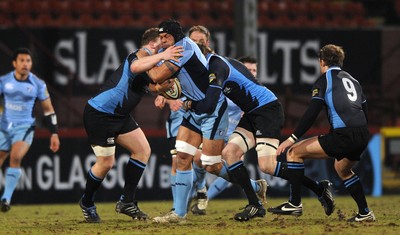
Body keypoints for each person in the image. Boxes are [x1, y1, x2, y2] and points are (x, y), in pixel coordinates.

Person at [79, 28, 183, 223]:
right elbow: (136, 68)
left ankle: (126, 201)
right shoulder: (140, 55)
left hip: (120, 115)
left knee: (143, 150)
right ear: (153, 45)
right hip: (100, 114)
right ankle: (87, 202)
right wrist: (165, 54)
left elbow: (150, 84)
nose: (165, 48)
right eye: (161, 45)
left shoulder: (150, 63)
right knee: (106, 163)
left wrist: (161, 90)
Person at [269, 44, 375, 222]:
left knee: (293, 152)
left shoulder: (325, 80)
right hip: (363, 134)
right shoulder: (354, 81)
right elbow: (364, 110)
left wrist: (291, 138)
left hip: (344, 135)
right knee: (342, 169)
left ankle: (295, 204)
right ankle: (365, 212)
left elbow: (312, 113)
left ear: (322, 61)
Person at [0, 48, 60, 212]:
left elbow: (48, 110)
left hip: (24, 127)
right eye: (22, 61)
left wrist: (54, 133)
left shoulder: (38, 84)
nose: (25, 64)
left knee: (16, 156)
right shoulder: (4, 81)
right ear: (14, 63)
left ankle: (6, 198)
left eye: (28, 61)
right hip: (4, 126)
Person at [206, 56, 268, 202]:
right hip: (218, 131)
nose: (252, 73)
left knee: (231, 165)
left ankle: (204, 200)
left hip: (238, 134)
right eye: (249, 69)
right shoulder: (224, 84)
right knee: (204, 163)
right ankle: (256, 188)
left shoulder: (258, 91)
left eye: (254, 70)